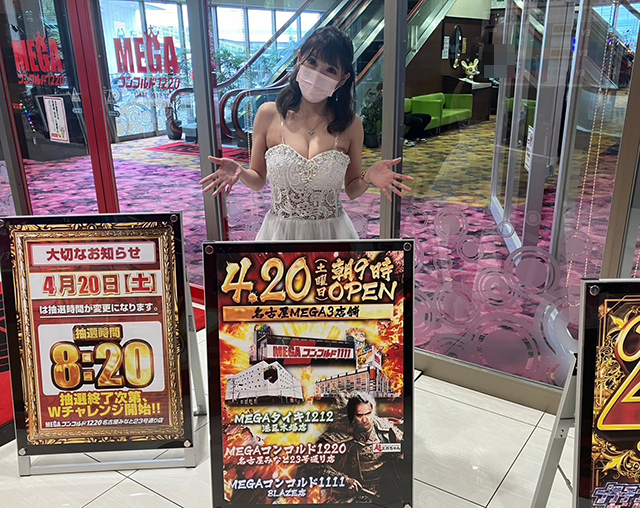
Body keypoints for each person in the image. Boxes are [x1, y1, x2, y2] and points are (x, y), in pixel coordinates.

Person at [200, 26, 413, 241]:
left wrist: (368, 177)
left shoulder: (351, 124)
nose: (318, 74)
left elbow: (352, 189)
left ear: (342, 79)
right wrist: (241, 172)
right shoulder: (268, 115)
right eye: (312, 62)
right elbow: (258, 179)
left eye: (330, 70)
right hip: (280, 234)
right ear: (300, 58)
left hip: (332, 235)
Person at [303, 391, 405, 504]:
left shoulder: (384, 428)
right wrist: (343, 479)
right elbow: (311, 464)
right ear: (352, 415)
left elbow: (403, 449)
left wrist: (397, 452)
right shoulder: (338, 434)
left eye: (368, 413)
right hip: (349, 496)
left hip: (385, 490)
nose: (365, 419)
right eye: (360, 415)